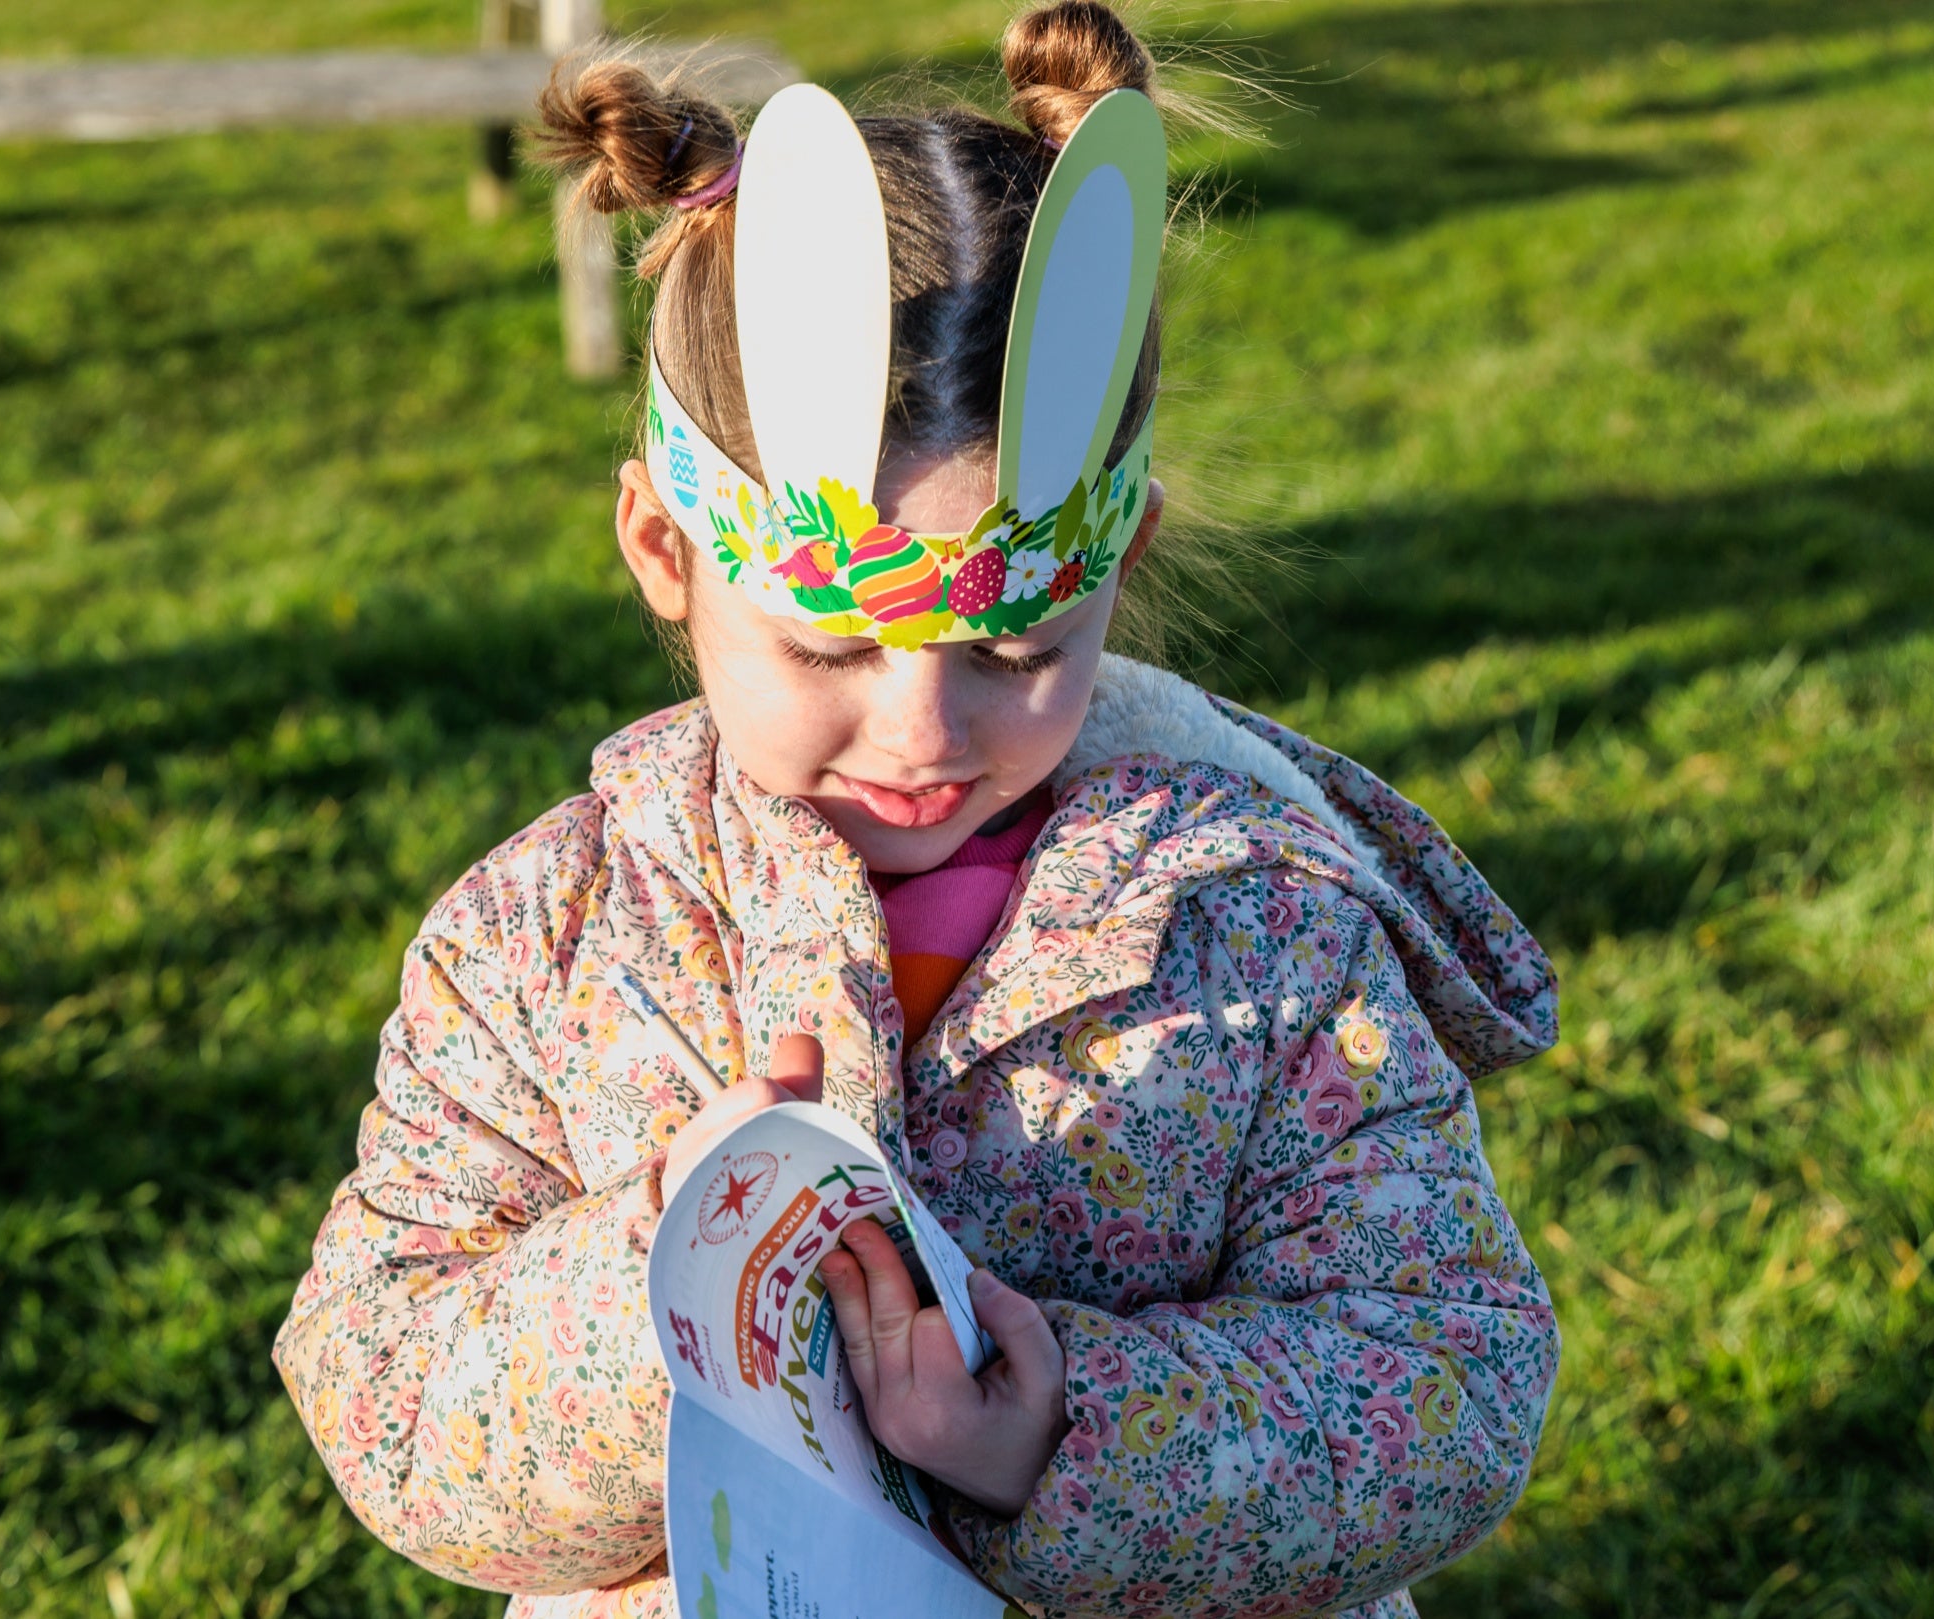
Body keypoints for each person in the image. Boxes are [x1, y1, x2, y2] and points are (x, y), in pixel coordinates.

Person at [273, 5, 1561, 1614]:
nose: (924, 729)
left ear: (1122, 562)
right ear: (665, 553)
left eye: (1016, 649)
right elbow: (384, 1402)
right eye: (827, 646)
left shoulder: (1261, 931)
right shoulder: (541, 943)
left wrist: (1067, 1440)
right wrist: (659, 1272)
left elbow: (1453, 1380)